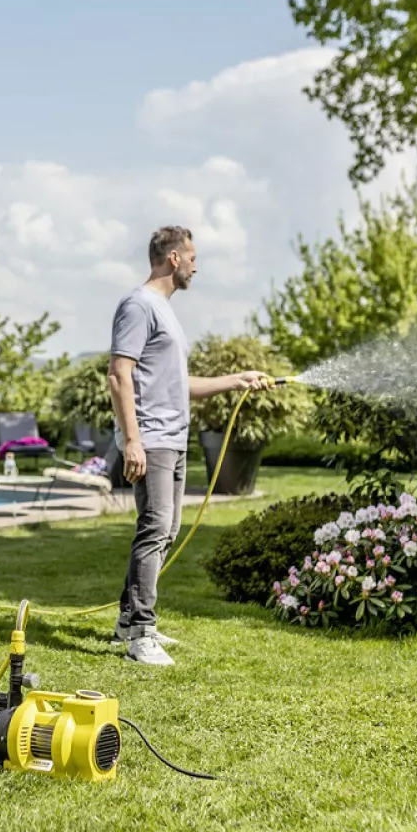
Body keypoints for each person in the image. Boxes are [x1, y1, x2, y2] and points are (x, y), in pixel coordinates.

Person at [108, 225, 273, 666]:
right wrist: (133, 441)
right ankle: (141, 633)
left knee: (166, 530)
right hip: (152, 438)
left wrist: (238, 379)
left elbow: (180, 384)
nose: (197, 267)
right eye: (193, 258)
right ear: (174, 258)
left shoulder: (164, 311)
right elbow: (119, 375)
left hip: (173, 439)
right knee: (155, 528)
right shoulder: (139, 305)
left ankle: (128, 621)